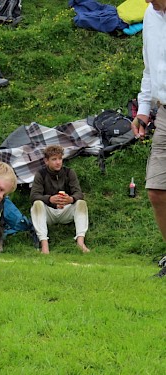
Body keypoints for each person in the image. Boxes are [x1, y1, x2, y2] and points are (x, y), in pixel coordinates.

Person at [133, 0, 166, 277]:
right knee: (157, 190)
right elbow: (149, 68)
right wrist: (144, 111)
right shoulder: (149, 15)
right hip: (164, 112)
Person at [29, 145, 90, 254]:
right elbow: (33, 196)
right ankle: (44, 245)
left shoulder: (69, 172)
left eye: (60, 159)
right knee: (37, 204)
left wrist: (71, 199)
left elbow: (79, 193)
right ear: (46, 161)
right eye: (54, 159)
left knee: (81, 203)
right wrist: (49, 199)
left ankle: (80, 242)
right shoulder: (41, 174)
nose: (58, 162)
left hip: (66, 211)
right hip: (49, 213)